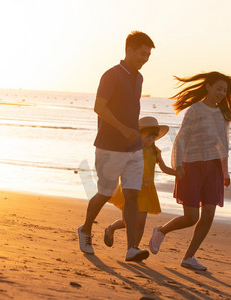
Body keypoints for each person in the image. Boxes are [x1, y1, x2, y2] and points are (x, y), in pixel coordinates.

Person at [148, 71, 231, 271]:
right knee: (191, 217)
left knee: (208, 215)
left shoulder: (222, 115)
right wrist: (178, 165)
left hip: (214, 169)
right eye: (218, 88)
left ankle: (189, 257)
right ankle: (162, 230)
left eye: (224, 91)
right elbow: (182, 137)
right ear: (208, 86)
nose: (221, 93)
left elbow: (223, 145)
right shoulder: (195, 110)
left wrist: (225, 172)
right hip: (191, 165)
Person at [78, 31, 155, 262]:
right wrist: (122, 129)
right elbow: (99, 107)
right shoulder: (111, 75)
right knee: (106, 192)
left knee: (133, 195)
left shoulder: (139, 78)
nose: (145, 59)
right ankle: (85, 229)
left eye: (148, 55)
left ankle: (132, 248)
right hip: (109, 146)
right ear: (129, 49)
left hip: (134, 148)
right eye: (142, 53)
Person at [104, 116, 176, 248]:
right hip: (130, 188)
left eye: (153, 137)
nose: (151, 139)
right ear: (140, 134)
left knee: (141, 222)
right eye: (148, 136)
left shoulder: (155, 151)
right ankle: (111, 228)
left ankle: (134, 248)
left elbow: (164, 168)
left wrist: (178, 173)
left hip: (146, 190)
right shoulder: (132, 149)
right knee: (127, 222)